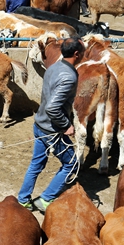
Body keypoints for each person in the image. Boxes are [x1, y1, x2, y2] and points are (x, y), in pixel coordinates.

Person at [17, 37, 82, 212]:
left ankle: (23, 199)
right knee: (71, 164)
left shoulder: (53, 67)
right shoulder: (69, 76)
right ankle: (45, 199)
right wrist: (66, 125)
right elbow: (53, 107)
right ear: (76, 54)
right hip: (52, 130)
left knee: (36, 164)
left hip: (39, 124)